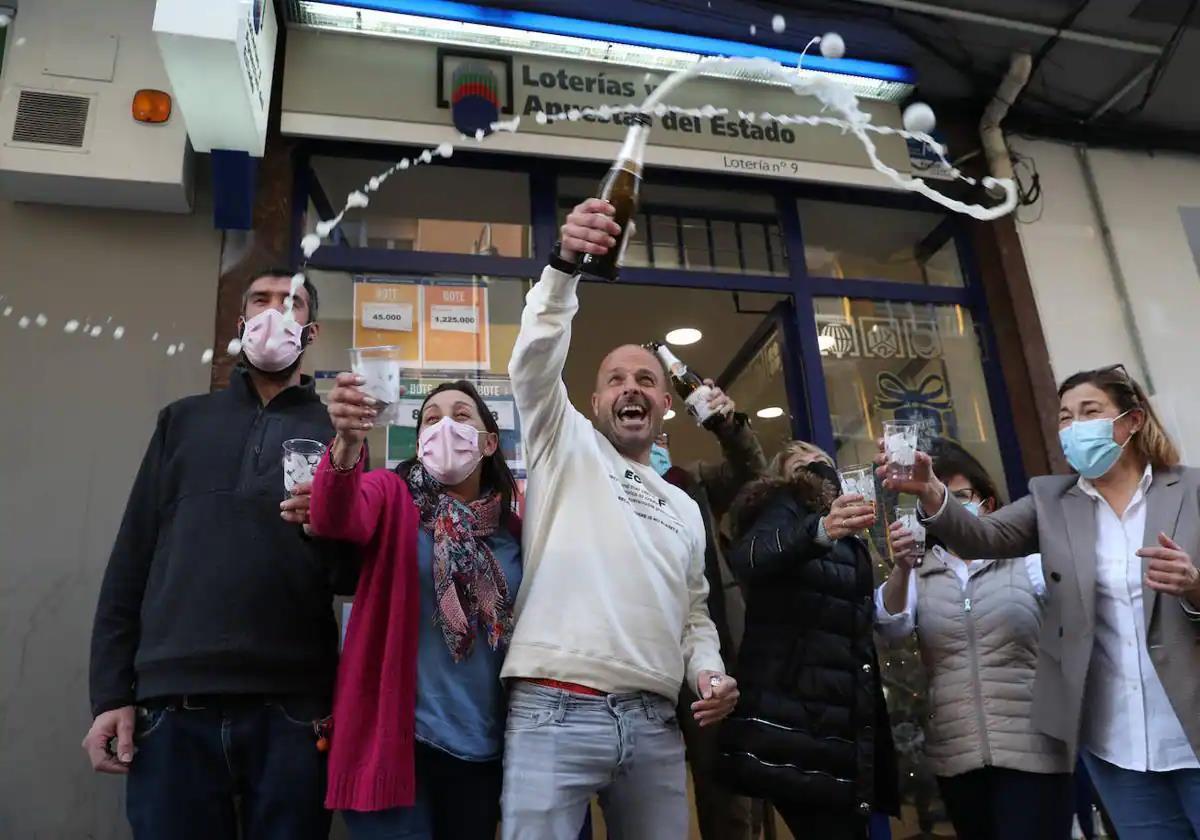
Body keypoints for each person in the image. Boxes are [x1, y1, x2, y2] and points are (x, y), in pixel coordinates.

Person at [499, 197, 740, 839]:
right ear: (594, 399)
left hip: (656, 724)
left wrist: (706, 671)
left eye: (644, 379)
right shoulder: (562, 441)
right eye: (614, 379)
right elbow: (533, 360)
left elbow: (694, 615)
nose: (629, 387)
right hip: (552, 707)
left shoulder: (685, 507)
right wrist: (563, 270)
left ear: (665, 402)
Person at [83, 269, 350, 840]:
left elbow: (349, 576)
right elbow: (133, 558)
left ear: (312, 331)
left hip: (295, 708)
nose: (275, 313)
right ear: (240, 325)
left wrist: (326, 523)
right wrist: (110, 693)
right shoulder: (183, 421)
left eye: (293, 303)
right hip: (172, 705)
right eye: (262, 300)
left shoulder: (337, 431)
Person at [885, 364, 1200, 838]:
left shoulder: (1191, 490)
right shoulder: (1053, 502)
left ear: (1132, 421)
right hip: (1118, 741)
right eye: (1065, 418)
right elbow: (979, 537)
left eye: (1090, 411)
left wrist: (1195, 586)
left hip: (1191, 724)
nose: (1075, 427)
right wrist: (929, 489)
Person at [301, 377, 522, 839]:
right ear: (419, 440)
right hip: (398, 745)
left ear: (489, 442)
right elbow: (334, 515)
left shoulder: (513, 532)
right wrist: (346, 443)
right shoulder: (391, 497)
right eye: (432, 419)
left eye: (461, 416)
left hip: (482, 751)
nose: (444, 427)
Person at [879, 445, 1073, 839]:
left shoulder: (1029, 563)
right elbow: (890, 627)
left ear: (988, 500)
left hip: (1035, 752)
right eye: (939, 497)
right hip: (958, 756)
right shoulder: (923, 573)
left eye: (962, 497)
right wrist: (901, 568)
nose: (953, 506)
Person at [719, 440, 900, 840]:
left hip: (839, 724)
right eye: (802, 466)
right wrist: (818, 530)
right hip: (797, 722)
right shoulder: (783, 504)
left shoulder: (851, 536)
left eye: (823, 464)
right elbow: (750, 557)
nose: (817, 471)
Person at [652, 403, 766, 840]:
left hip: (706, 651)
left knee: (725, 790)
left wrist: (729, 425)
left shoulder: (692, 480)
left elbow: (750, 471)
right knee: (645, 795)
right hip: (642, 661)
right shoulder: (604, 484)